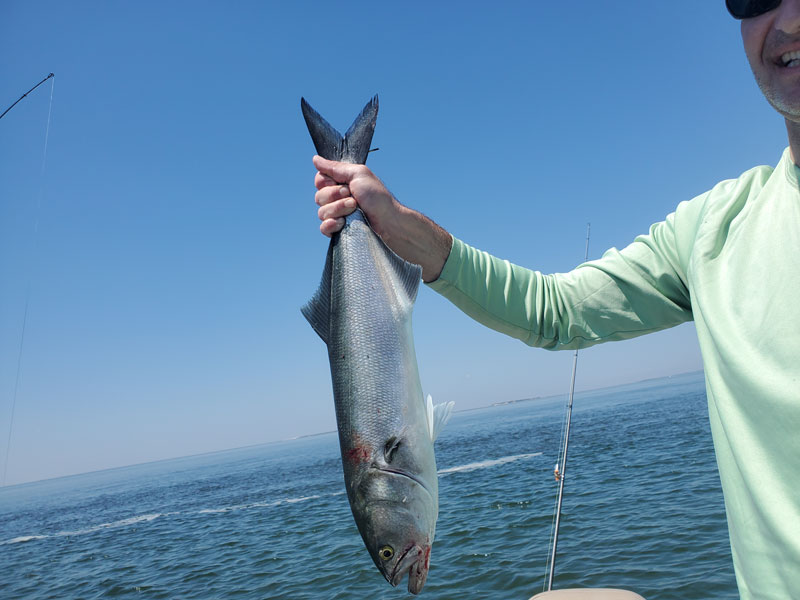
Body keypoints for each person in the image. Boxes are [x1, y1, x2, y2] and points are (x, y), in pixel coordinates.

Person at [309, 2, 799, 598]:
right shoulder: (714, 232)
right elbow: (556, 309)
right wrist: (394, 224)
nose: (788, 19)